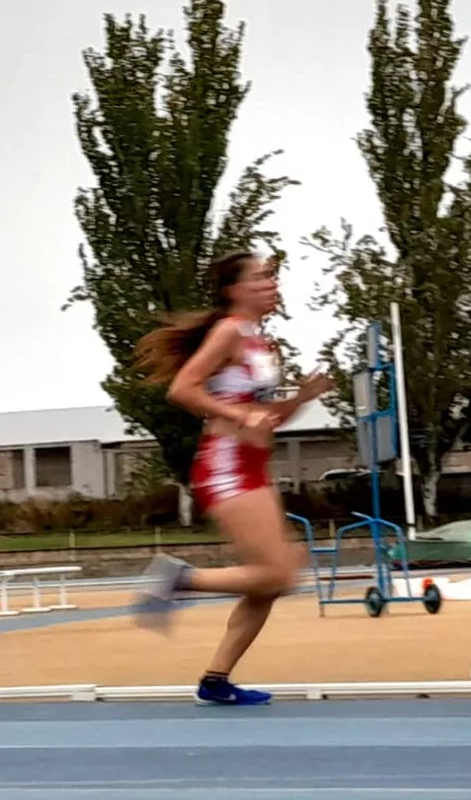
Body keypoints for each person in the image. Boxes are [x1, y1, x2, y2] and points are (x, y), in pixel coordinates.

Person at [131, 253, 332, 707]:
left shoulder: (262, 344)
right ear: (233, 290)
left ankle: (216, 679)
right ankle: (179, 579)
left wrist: (303, 396)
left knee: (274, 580)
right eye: (260, 278)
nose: (271, 284)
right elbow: (182, 389)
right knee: (277, 573)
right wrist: (236, 414)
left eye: (272, 277)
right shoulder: (228, 332)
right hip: (225, 466)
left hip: (253, 466)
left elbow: (266, 417)